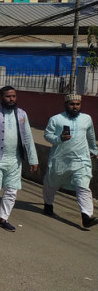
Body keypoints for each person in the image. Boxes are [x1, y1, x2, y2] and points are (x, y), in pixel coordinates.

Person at [0, 86, 38, 232]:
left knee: (11, 190)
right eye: (8, 96)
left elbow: (27, 137)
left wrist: (33, 159)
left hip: (15, 159)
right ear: (1, 97)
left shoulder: (21, 114)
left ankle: (3, 218)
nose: (11, 99)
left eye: (14, 96)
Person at [42, 94, 98, 228]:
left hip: (81, 159)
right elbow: (47, 135)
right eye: (72, 104)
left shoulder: (86, 119)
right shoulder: (56, 119)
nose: (75, 107)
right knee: (51, 184)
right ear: (66, 104)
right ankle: (48, 204)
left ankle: (86, 216)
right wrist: (59, 138)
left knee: (83, 186)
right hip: (60, 159)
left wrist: (94, 150)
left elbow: (90, 136)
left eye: (77, 104)